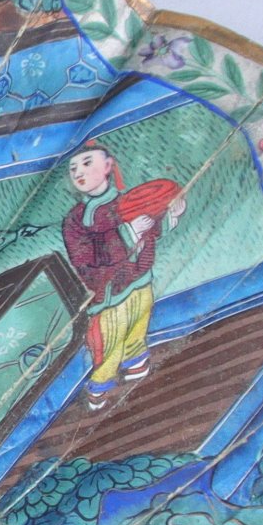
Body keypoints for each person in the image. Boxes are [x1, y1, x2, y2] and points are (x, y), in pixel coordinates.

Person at [59, 141, 180, 410]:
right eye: (73, 168)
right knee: (109, 346)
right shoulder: (75, 220)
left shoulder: (130, 200)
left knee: (137, 331)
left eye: (87, 163)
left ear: (108, 165)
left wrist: (169, 215)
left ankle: (139, 377)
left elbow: (152, 229)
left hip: (140, 281)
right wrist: (129, 232)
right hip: (109, 296)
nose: (79, 172)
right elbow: (84, 259)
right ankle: (98, 394)